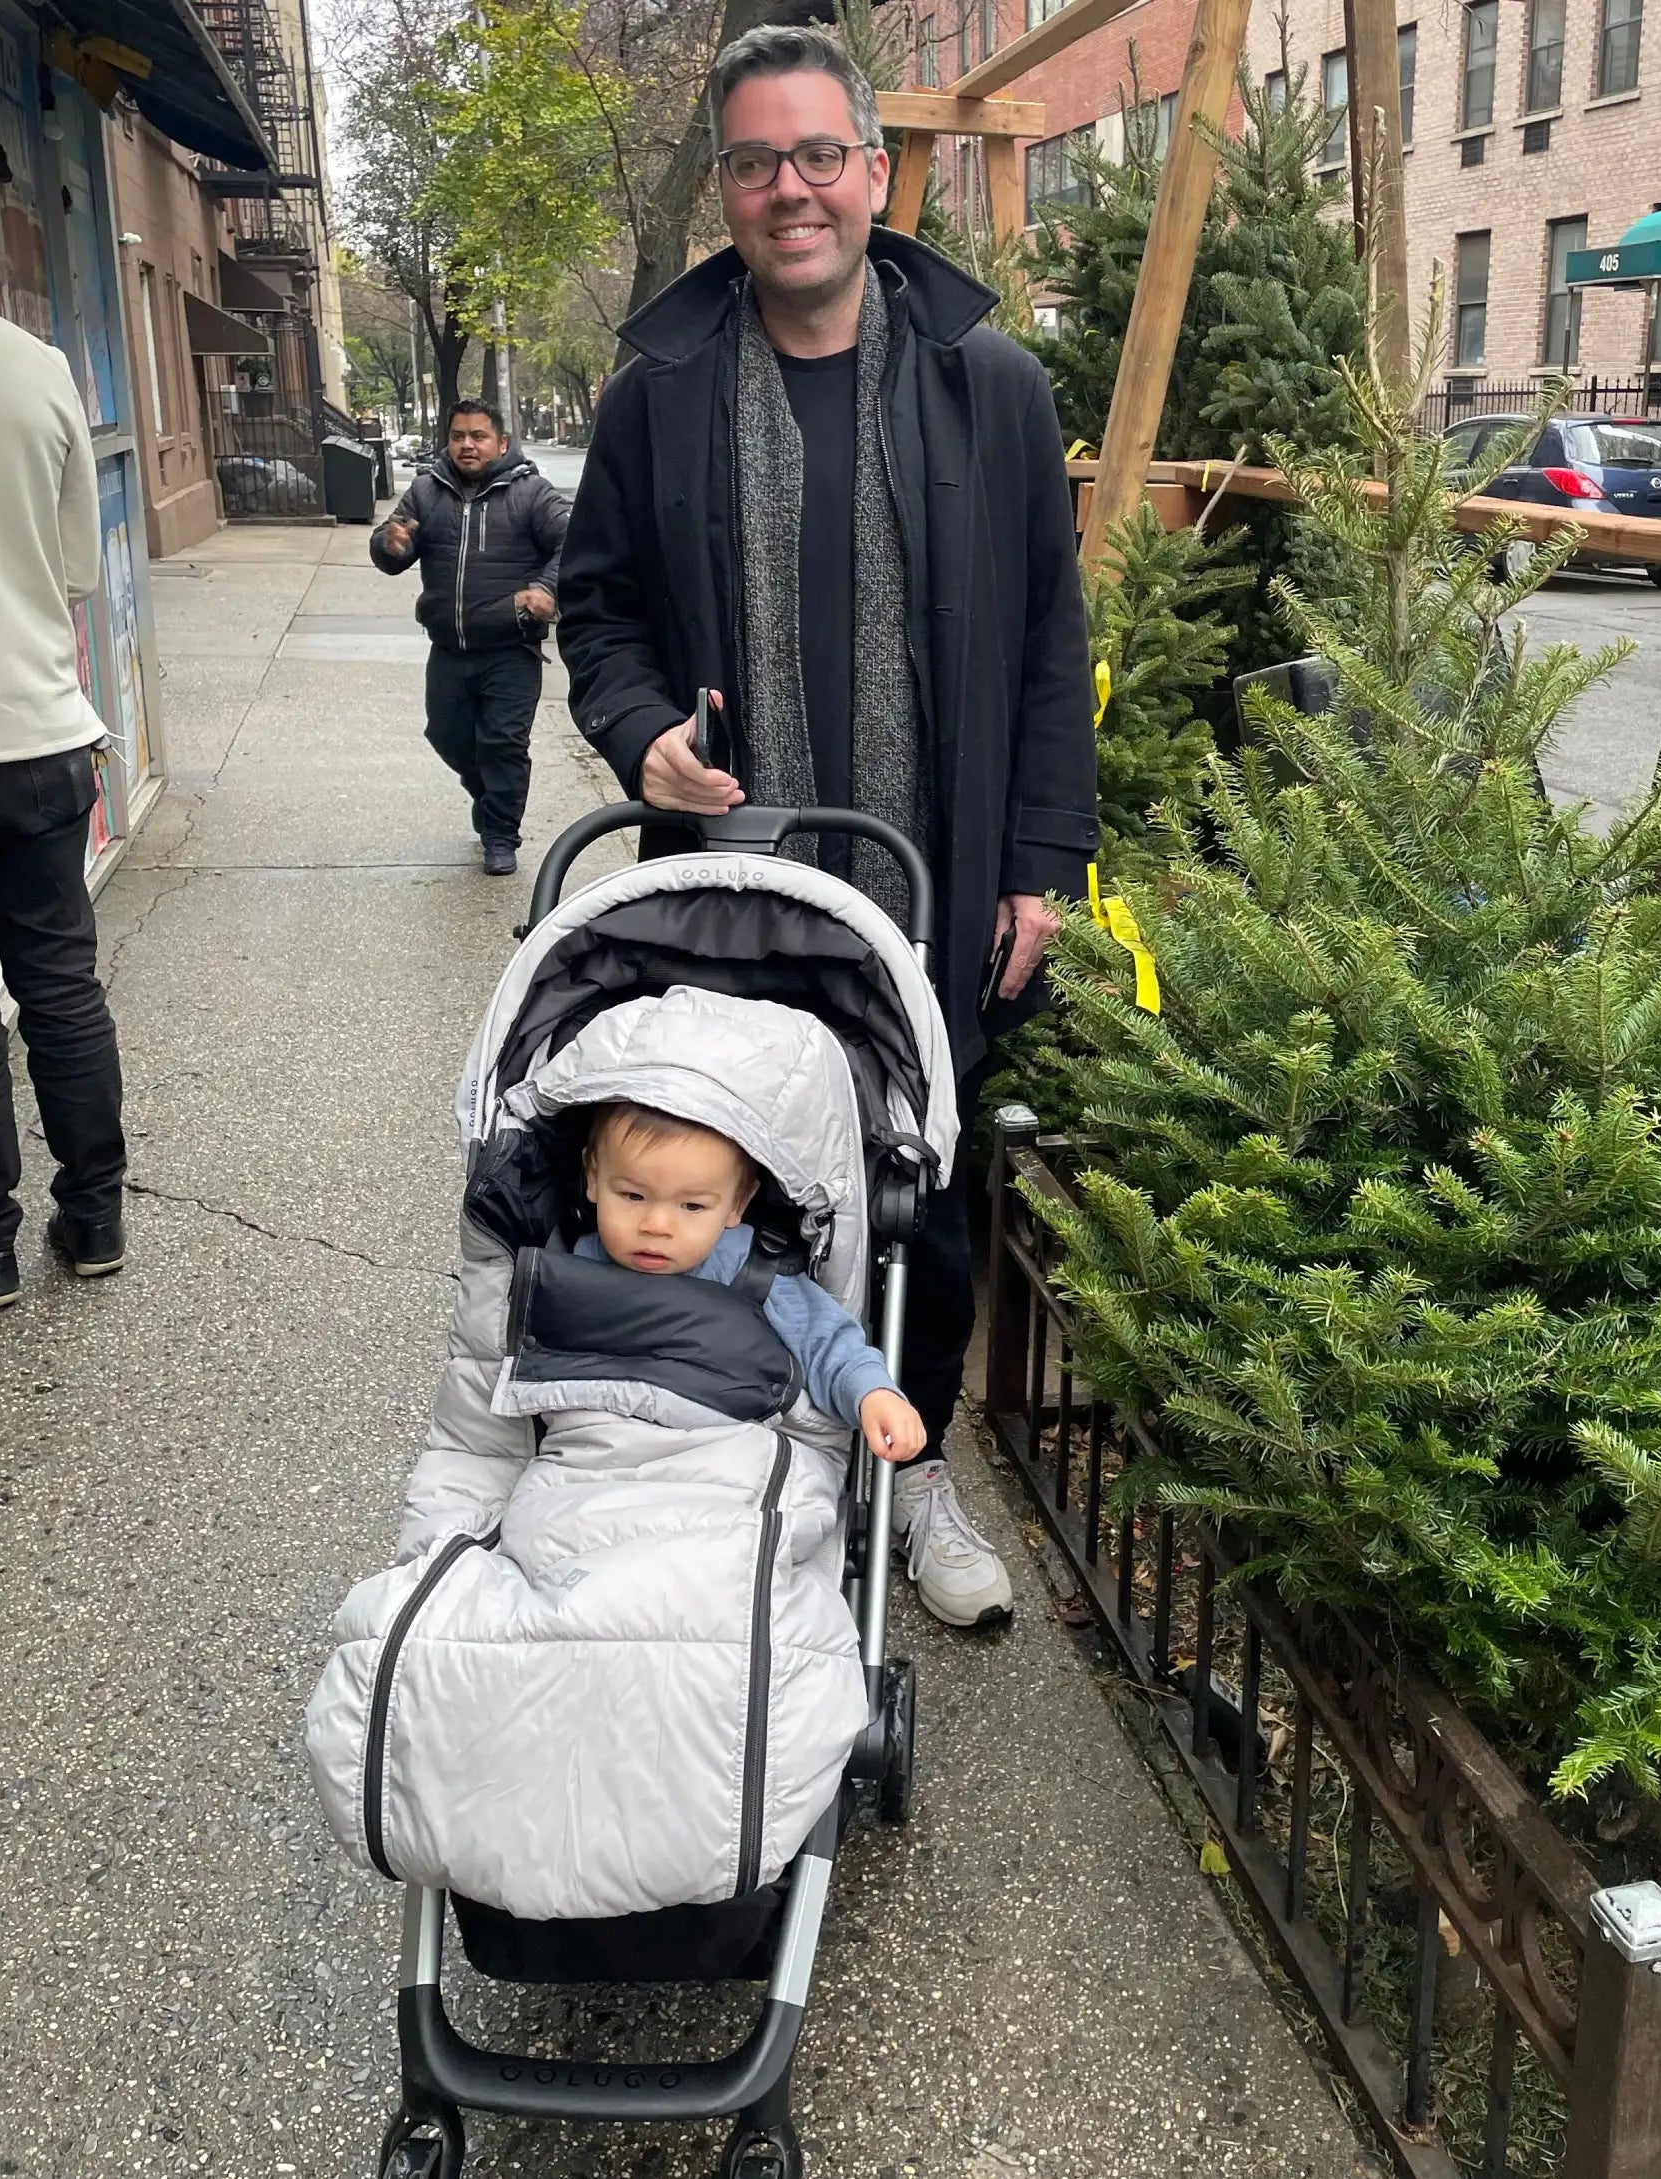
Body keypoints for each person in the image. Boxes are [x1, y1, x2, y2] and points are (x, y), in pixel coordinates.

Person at [556, 25, 1097, 1629]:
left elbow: (1051, 641)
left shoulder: (984, 382)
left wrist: (1044, 861)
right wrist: (642, 729)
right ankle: (757, 1472)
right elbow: (599, 615)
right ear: (724, 188)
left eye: (815, 157)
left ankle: (913, 1474)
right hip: (731, 897)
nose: (787, 189)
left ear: (874, 171)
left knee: (923, 1192)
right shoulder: (656, 396)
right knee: (737, 1180)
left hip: (935, 882)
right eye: (752, 162)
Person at [0, 146, 127, 1313]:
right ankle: (95, 1216)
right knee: (59, 982)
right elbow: (76, 569)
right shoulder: (36, 366)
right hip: (39, 730)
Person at [576, 1099, 928, 1461]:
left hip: (728, 1449)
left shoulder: (751, 1272)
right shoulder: (571, 1272)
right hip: (604, 1449)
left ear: (737, 1204)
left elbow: (825, 1343)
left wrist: (872, 1393)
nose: (656, 1226)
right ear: (593, 1179)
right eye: (633, 1196)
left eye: (692, 1206)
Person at [369, 398, 571, 876]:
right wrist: (388, 544)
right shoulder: (425, 491)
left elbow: (576, 543)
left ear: (500, 443)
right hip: (449, 648)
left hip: (510, 649)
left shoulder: (532, 494)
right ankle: (491, 797)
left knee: (503, 742)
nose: (467, 445)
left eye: (478, 436)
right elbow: (392, 548)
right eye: (458, 436)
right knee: (447, 736)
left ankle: (500, 834)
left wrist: (544, 589)